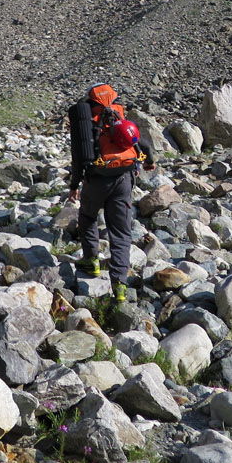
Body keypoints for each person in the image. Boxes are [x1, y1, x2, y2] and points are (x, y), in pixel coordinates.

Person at [67, 84, 155, 303]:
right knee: (121, 233)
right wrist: (149, 162)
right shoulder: (118, 116)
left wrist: (74, 185)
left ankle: (91, 261)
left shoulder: (86, 123)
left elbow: (79, 158)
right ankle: (120, 287)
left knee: (87, 218)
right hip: (124, 179)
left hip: (96, 179)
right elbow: (142, 143)